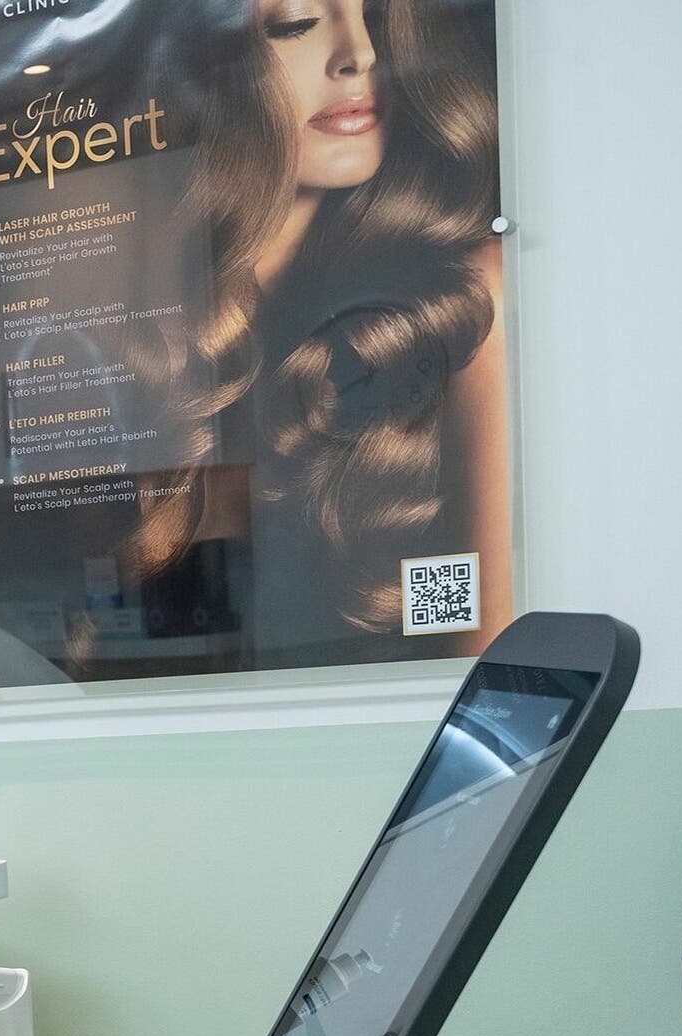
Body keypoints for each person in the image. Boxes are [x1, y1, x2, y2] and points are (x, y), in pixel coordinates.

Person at [113, 0, 511, 666]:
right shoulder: (153, 323)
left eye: (376, 17)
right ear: (201, 65)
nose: (359, 54)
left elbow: (495, 674)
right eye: (295, 23)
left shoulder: (463, 299)